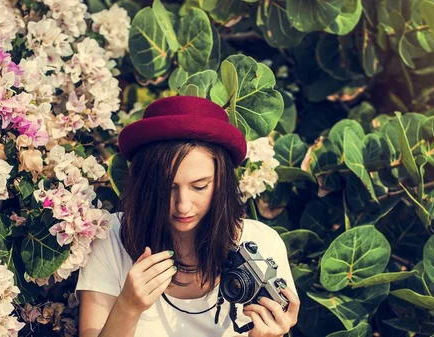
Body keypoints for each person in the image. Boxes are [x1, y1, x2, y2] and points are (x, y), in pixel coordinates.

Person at [77, 96, 299, 337]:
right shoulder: (111, 237)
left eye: (199, 186)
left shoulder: (263, 243)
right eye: (167, 188)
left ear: (221, 182)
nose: (182, 206)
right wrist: (128, 307)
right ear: (146, 185)